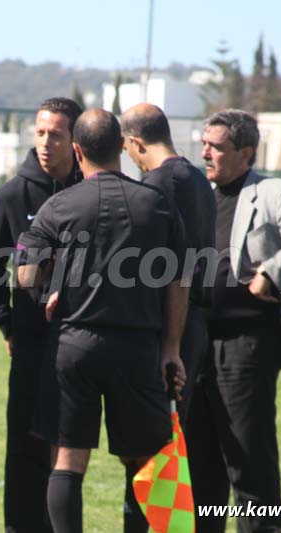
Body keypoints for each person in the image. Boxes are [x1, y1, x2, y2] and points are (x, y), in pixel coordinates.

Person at [16, 109, 188, 533]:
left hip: (74, 345)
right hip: (138, 347)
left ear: (77, 151)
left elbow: (25, 275)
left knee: (68, 460)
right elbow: (180, 280)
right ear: (122, 148)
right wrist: (171, 349)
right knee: (144, 460)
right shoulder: (157, 204)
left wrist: (53, 285)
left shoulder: (59, 205)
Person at [187, 109, 281, 533]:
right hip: (197, 345)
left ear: (246, 153)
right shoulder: (200, 194)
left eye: (216, 146)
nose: (206, 153)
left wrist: (272, 271)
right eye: (204, 144)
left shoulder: (270, 192)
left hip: (246, 347)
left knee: (249, 465)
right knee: (201, 469)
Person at [0, 96, 82, 532]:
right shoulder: (13, 194)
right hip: (29, 344)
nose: (45, 142)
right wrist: (8, 326)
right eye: (39, 133)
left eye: (55, 134)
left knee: (67, 450)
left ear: (74, 139)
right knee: (23, 446)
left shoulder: (89, 189)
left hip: (78, 343)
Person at [121, 102, 217, 427]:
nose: (131, 157)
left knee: (154, 434)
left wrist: (170, 344)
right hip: (194, 323)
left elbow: (175, 269)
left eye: (127, 148)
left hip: (169, 327)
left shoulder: (159, 186)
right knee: (173, 430)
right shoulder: (199, 180)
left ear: (136, 142)